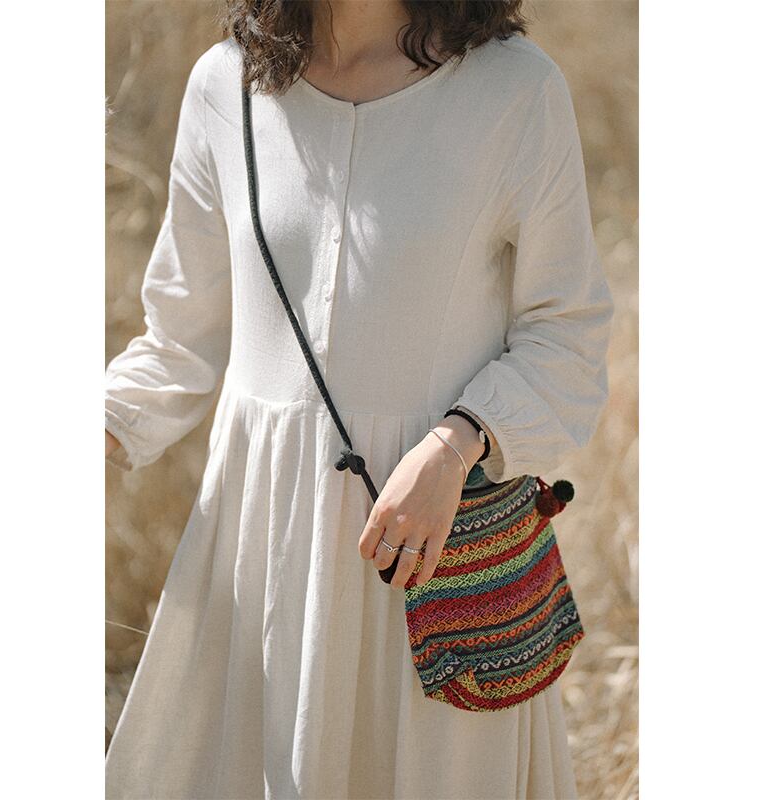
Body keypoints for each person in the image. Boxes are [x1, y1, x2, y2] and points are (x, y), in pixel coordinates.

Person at [104, 1, 613, 797]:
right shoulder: (225, 86)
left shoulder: (515, 91)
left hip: (435, 555)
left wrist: (455, 446)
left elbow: (568, 333)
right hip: (263, 549)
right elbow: (178, 340)